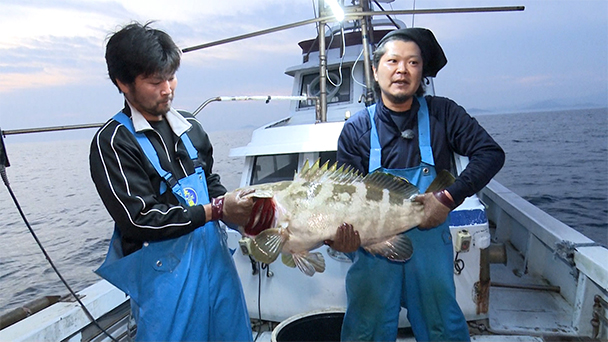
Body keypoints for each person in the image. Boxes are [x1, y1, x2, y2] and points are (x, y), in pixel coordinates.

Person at [328, 27, 505, 341]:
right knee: (365, 330)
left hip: (429, 248)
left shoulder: (444, 114)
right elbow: (341, 199)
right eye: (393, 61)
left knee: (442, 327)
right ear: (375, 70)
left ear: (422, 71)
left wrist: (448, 198)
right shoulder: (355, 130)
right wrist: (338, 239)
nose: (401, 70)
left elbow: (490, 154)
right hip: (374, 251)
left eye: (412, 63)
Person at [89, 22, 254, 341]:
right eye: (155, 81)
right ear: (123, 83)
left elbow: (210, 184)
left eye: (171, 77)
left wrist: (247, 219)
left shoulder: (190, 127)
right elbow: (138, 221)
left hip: (218, 272)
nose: (168, 89)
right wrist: (216, 210)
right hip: (167, 288)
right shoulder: (114, 143)